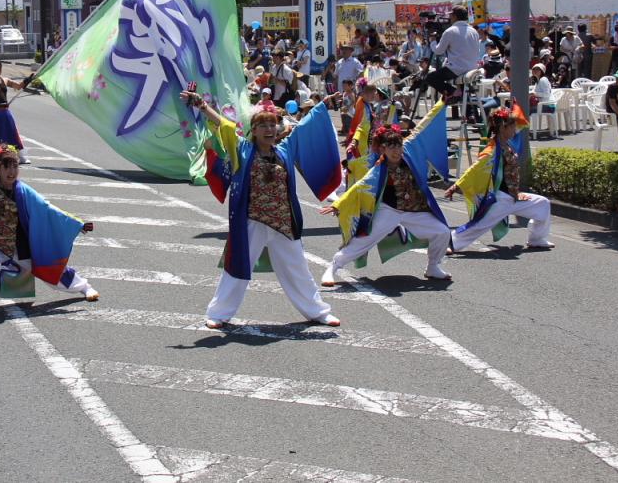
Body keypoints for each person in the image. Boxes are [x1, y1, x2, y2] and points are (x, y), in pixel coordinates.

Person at [181, 88, 343, 329]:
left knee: (298, 269)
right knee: (236, 268)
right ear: (254, 131)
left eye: (273, 125)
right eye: (263, 125)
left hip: (283, 221)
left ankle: (317, 311)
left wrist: (325, 105)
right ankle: (219, 313)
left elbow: (306, 126)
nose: (269, 129)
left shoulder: (286, 149)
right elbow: (225, 126)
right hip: (252, 220)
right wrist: (202, 106)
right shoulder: (243, 150)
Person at [0, 138, 99, 317]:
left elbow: (48, 209)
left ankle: (84, 287)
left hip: (20, 247)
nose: (12, 171)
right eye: (7, 166)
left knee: (50, 271)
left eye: (15, 166)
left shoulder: (24, 191)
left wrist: (77, 224)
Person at [320, 121, 453, 285]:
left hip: (414, 210)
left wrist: (442, 103)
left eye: (398, 146)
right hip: (389, 210)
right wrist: (338, 204)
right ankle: (332, 268)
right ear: (382, 149)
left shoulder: (410, 155)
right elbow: (359, 187)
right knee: (364, 240)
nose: (396, 151)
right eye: (391, 147)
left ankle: (433, 267)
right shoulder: (378, 168)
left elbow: (423, 126)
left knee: (442, 232)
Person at [446, 107, 554, 252]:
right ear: (503, 127)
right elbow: (475, 169)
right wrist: (456, 186)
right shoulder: (492, 150)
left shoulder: (508, 143)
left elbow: (521, 125)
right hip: (500, 198)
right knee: (480, 225)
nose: (515, 129)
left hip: (513, 196)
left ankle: (537, 238)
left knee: (542, 204)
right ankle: (450, 242)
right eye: (512, 126)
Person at [427, 5, 482, 98]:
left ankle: (454, 93)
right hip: (472, 68)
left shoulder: (450, 31)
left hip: (457, 69)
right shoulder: (473, 31)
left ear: (455, 16)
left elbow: (438, 51)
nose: (450, 18)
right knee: (465, 92)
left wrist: (432, 41)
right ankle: (466, 105)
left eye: (451, 15)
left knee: (431, 78)